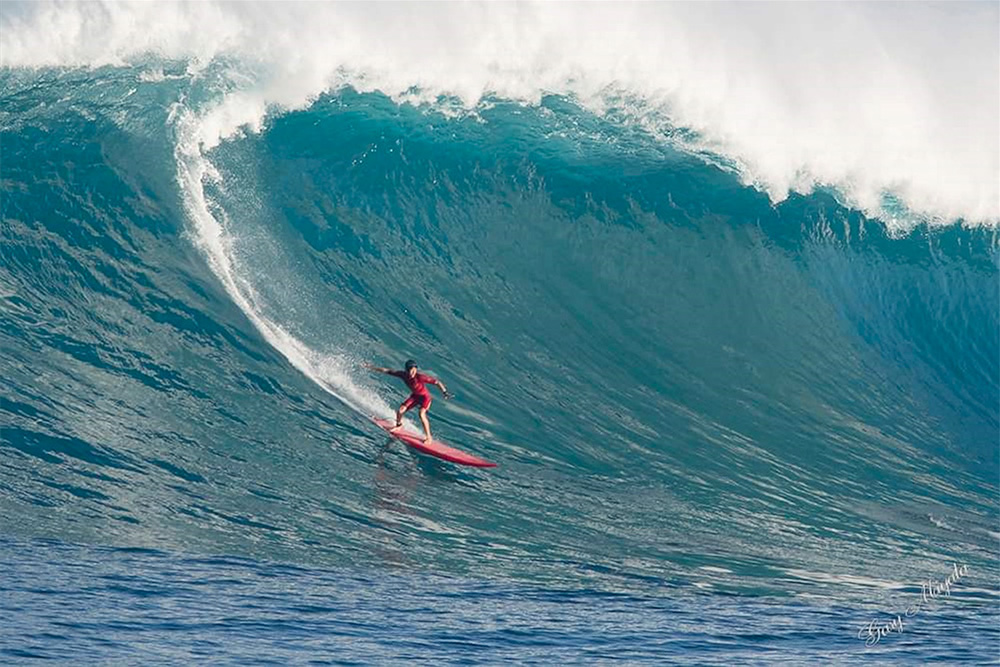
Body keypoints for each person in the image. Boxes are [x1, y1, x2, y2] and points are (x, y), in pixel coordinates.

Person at [364, 359, 451, 444]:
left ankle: (429, 437)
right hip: (415, 396)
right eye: (409, 370)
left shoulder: (420, 377)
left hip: (425, 398)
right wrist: (371, 367)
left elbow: (437, 382)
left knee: (421, 414)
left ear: (416, 369)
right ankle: (399, 425)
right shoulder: (403, 375)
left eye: (413, 370)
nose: (411, 373)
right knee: (400, 410)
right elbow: (387, 370)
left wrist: (444, 392)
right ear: (406, 370)